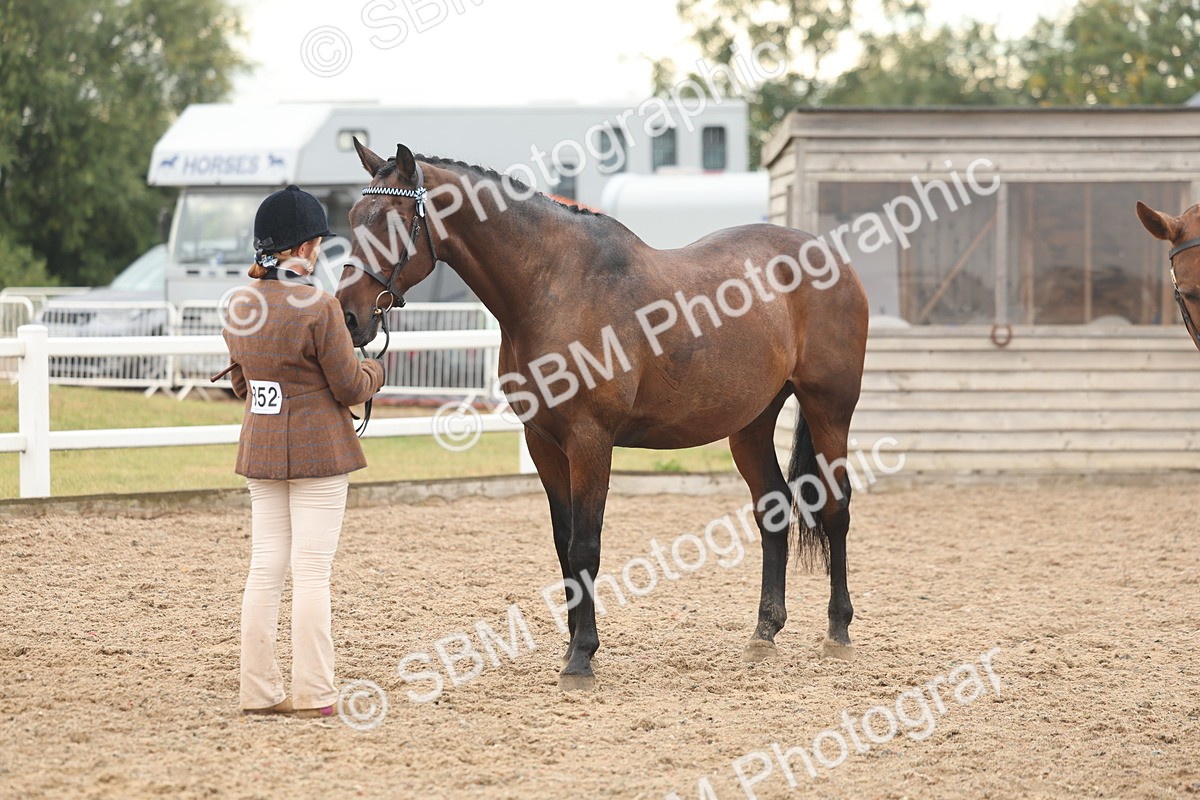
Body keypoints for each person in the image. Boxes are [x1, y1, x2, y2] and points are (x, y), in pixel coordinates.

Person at [221, 185, 385, 718]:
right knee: (312, 571)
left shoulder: (239, 305)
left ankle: (258, 691)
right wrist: (376, 371)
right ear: (307, 247)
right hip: (319, 454)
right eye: (317, 243)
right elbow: (347, 387)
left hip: (262, 449)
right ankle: (315, 692)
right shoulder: (319, 306)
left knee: (265, 567)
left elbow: (244, 383)